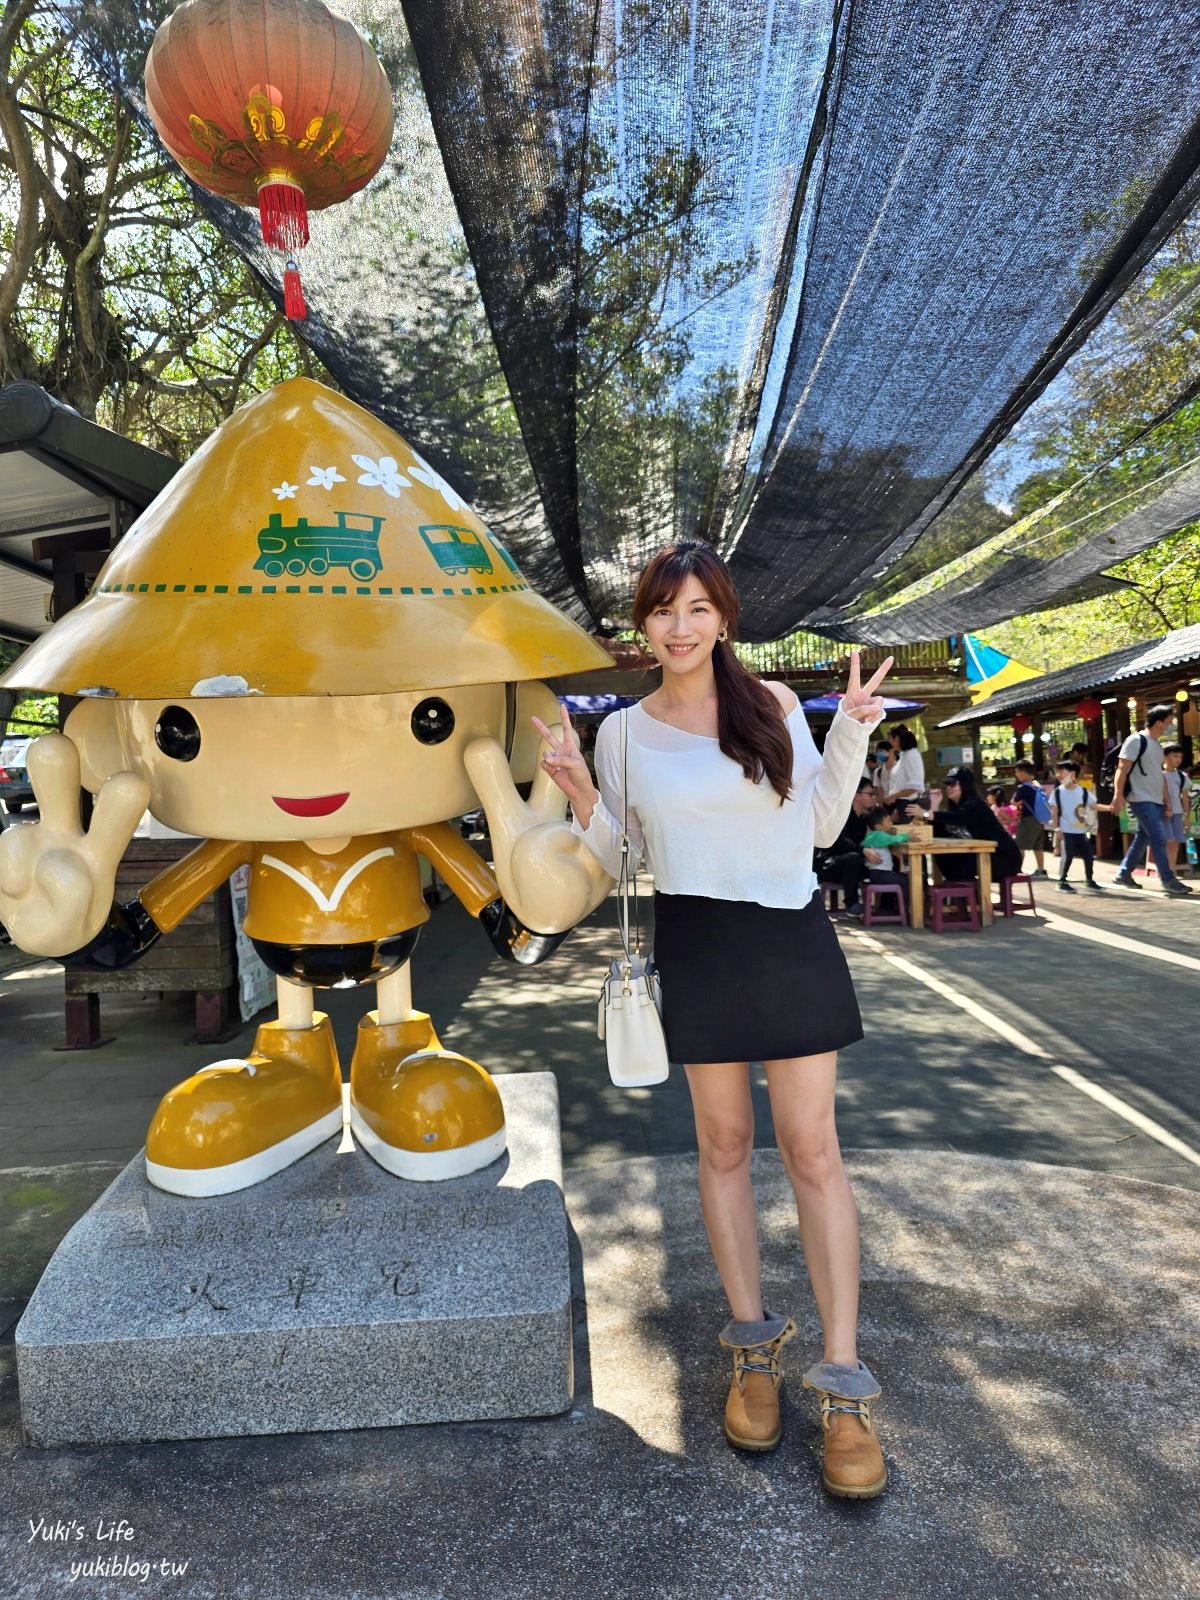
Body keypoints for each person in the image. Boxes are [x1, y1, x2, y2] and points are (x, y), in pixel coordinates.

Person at [535, 539, 893, 1498]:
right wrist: (578, 794)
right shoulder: (619, 734)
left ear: (725, 618)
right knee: (724, 1145)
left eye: (697, 608)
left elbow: (819, 827)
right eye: (663, 610)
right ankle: (750, 1349)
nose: (680, 626)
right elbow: (624, 857)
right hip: (694, 939)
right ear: (642, 625)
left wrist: (850, 728)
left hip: (789, 935)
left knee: (812, 1148)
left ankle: (846, 1382)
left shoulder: (770, 706)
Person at [1112, 707, 1194, 896]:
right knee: (1160, 838)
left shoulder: (1156, 746)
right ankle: (1168, 880)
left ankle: (1124, 873)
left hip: (1155, 800)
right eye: (1169, 721)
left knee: (1144, 837)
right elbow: (1121, 768)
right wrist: (1118, 795)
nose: (1170, 725)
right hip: (1141, 798)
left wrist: (1167, 801)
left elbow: (1159, 777)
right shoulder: (1135, 740)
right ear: (1159, 722)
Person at [905, 766, 1021, 886]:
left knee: (951, 863)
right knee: (945, 860)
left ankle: (969, 899)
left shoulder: (975, 804)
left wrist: (925, 814)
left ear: (965, 785)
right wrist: (933, 808)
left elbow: (958, 817)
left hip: (1004, 858)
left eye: (953, 784)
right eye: (947, 785)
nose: (948, 788)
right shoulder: (957, 808)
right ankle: (959, 898)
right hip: (983, 856)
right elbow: (941, 831)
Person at [816, 777, 875, 916]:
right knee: (854, 859)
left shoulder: (863, 818)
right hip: (828, 864)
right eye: (870, 794)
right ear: (856, 794)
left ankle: (888, 905)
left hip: (849, 864)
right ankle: (851, 903)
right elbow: (841, 841)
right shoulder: (842, 814)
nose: (873, 798)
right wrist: (863, 850)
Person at [1049, 760, 1102, 893]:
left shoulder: (1082, 792)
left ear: (1072, 774)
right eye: (1057, 772)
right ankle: (1062, 881)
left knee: (1088, 855)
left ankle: (1089, 880)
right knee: (1068, 856)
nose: (1058, 775)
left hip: (1080, 831)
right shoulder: (1058, 792)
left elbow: (1094, 805)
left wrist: (1111, 808)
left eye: (1061, 772)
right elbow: (1054, 812)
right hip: (1066, 830)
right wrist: (1057, 828)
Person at [860, 806, 911, 912]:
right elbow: (893, 839)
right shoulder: (879, 835)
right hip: (880, 874)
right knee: (906, 880)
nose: (891, 824)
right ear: (878, 826)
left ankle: (892, 908)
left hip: (876, 874)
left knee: (901, 877)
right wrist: (907, 836)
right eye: (888, 822)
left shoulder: (872, 836)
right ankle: (903, 910)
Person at [1012, 759, 1049, 878]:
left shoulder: (1023, 788)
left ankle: (1016, 869)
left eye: (1017, 771)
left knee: (1020, 845)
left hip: (1027, 819)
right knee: (1038, 846)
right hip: (1039, 819)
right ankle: (1041, 870)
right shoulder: (1036, 785)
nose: (1016, 774)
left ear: (1023, 772)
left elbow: (1014, 801)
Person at [882, 728, 926, 813]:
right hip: (900, 804)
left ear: (897, 739)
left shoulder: (912, 755)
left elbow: (915, 786)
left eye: (890, 739)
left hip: (908, 804)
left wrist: (893, 796)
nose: (890, 743)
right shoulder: (905, 755)